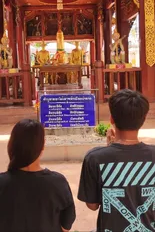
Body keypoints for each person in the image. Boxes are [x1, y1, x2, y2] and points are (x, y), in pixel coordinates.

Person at [78, 89, 155, 232]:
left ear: (112, 119)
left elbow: (92, 205)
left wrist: (109, 149)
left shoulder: (95, 158)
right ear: (143, 119)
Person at [0, 119, 75, 232]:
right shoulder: (58, 182)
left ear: (12, 145)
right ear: (42, 146)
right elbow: (66, 225)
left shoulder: (2, 183)